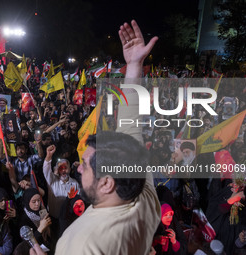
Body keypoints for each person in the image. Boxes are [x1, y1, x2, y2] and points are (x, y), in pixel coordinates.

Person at [55, 19, 160, 255]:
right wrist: (134, 65)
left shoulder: (86, 246)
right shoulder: (143, 196)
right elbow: (130, 122)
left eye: (84, 165)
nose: (79, 169)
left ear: (107, 182)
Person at [43, 146, 80, 219]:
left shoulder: (75, 183)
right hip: (54, 218)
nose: (63, 171)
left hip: (69, 218)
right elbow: (46, 170)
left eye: (65, 168)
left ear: (69, 169)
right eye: (60, 168)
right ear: (57, 169)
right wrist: (49, 155)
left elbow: (78, 201)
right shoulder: (52, 180)